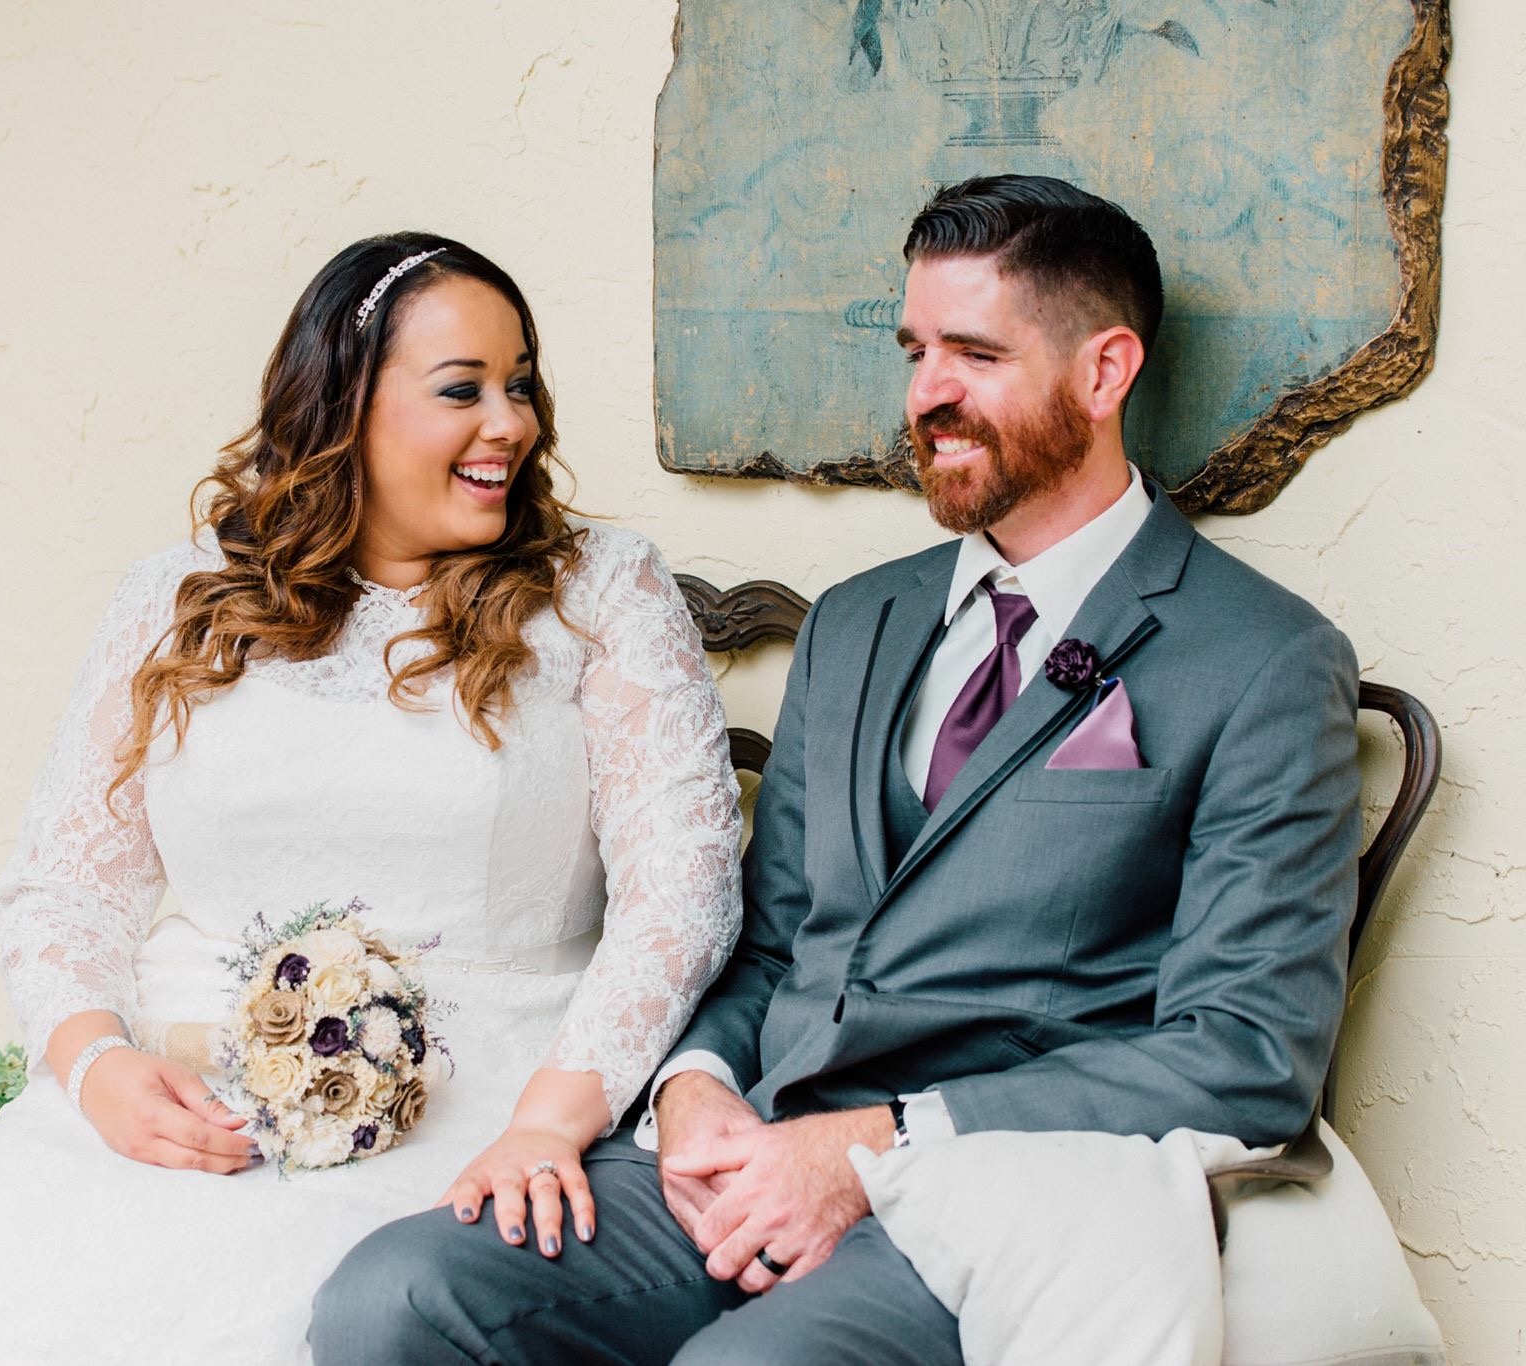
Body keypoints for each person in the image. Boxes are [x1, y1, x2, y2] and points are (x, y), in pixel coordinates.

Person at [311, 176, 1363, 1364]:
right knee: (393, 1298)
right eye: (915, 350)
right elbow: (771, 942)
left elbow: (1246, 1052)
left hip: (987, 1191)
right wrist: (697, 1081)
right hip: (743, 1149)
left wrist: (877, 1146)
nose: (926, 395)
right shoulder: (857, 623)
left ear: (1104, 371)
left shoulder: (1263, 659)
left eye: (972, 354)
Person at [0, 232, 743, 1364]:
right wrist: (98, 1067)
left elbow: (678, 898)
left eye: (520, 384)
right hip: (179, 1098)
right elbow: (65, 886)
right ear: (340, 408)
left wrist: (548, 1120)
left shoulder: (599, 590)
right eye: (463, 390)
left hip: (486, 1103)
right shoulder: (178, 598)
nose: (512, 423)